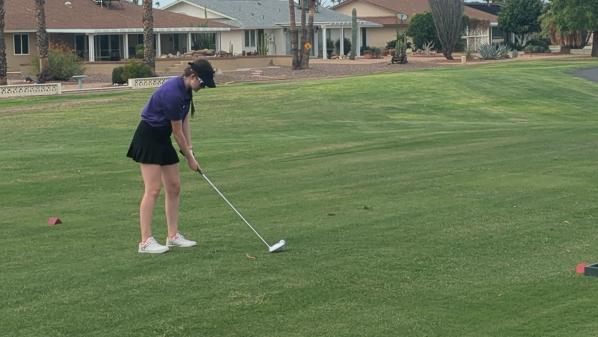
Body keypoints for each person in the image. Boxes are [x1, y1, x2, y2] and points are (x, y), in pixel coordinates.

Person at [126, 59, 216, 254]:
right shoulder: (173, 93)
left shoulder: (186, 90)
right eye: (203, 83)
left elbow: (184, 122)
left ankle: (173, 236)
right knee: (153, 189)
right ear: (193, 77)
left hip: (162, 137)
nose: (203, 87)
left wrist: (189, 150)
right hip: (149, 137)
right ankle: (145, 241)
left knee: (174, 186)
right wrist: (190, 159)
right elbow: (177, 132)